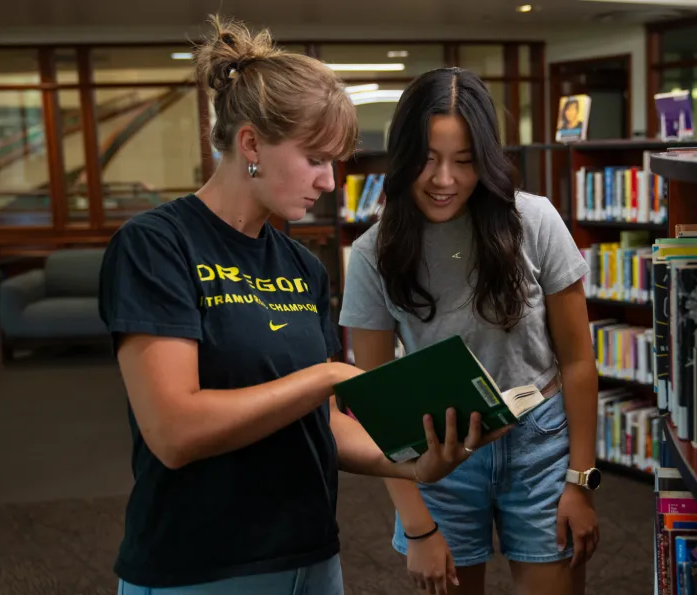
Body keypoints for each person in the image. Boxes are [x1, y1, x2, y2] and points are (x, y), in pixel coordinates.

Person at [98, 18, 505, 595]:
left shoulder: (302, 266)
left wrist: (416, 461)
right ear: (251, 145)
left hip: (312, 557)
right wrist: (327, 376)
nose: (330, 181)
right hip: (199, 564)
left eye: (335, 161)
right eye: (316, 159)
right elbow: (173, 429)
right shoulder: (156, 246)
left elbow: (318, 427)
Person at [339, 67, 602, 595]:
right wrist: (418, 526)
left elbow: (577, 360)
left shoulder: (536, 221)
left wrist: (581, 480)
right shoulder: (374, 251)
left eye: (464, 161)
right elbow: (375, 401)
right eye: (427, 160)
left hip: (540, 442)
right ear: (403, 157)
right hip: (439, 451)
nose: (444, 180)